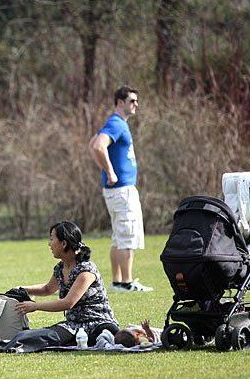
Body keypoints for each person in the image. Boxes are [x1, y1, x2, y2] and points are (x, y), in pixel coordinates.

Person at [12, 221, 119, 349]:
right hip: (73, 325)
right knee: (38, 337)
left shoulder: (86, 270)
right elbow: (47, 289)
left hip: (99, 323)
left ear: (64, 244)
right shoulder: (60, 268)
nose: (49, 244)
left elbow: (68, 303)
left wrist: (35, 306)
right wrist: (21, 289)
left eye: (52, 239)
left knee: (104, 336)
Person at [88, 86, 153, 292]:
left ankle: (117, 282)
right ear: (120, 102)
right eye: (132, 101)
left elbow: (91, 145)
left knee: (119, 236)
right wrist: (110, 171)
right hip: (122, 190)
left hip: (117, 191)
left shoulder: (115, 123)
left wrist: (106, 170)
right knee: (127, 236)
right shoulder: (116, 123)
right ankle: (127, 282)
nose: (136, 105)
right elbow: (98, 146)